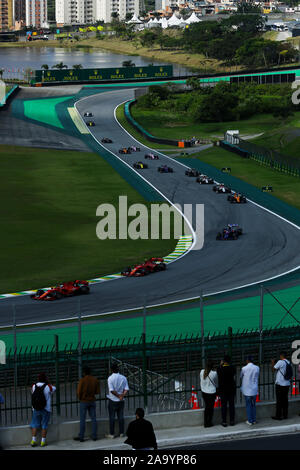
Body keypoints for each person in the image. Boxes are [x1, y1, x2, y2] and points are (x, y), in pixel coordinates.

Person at [74, 366, 100, 442]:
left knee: (83, 419)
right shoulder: (95, 380)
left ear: (84, 373)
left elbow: (78, 392)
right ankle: (94, 435)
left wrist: (81, 398)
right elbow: (97, 392)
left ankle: (81, 436)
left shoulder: (82, 380)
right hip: (92, 400)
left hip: (84, 401)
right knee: (94, 418)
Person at [30, 372, 56, 447]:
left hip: (36, 408)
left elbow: (32, 392)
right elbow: (54, 389)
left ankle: (33, 440)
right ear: (46, 378)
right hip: (46, 409)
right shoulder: (48, 386)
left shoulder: (34, 386)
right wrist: (49, 383)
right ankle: (43, 442)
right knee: (44, 425)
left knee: (35, 424)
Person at [106, 363, 129, 438]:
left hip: (113, 400)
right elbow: (126, 389)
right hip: (121, 400)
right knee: (121, 416)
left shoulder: (110, 378)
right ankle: (122, 432)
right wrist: (122, 395)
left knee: (112, 417)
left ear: (111, 370)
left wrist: (118, 396)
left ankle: (112, 433)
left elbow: (112, 390)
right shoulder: (123, 377)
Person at [271, 352, 291, 420]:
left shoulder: (280, 362)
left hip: (280, 384)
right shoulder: (288, 362)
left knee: (279, 400)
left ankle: (278, 416)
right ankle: (285, 415)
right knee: (285, 400)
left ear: (281, 356)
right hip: (287, 384)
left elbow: (273, 370)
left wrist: (273, 362)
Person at [217, 355, 236, 427]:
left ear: (223, 361)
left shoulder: (220, 369)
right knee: (231, 405)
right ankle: (232, 421)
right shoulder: (232, 368)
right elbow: (233, 371)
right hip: (231, 389)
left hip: (223, 390)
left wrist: (221, 364)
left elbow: (218, 370)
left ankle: (224, 421)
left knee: (223, 406)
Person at [240, 356, 260, 426]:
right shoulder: (257, 368)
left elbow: (241, 376)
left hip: (247, 390)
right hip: (254, 389)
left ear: (247, 361)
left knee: (248, 405)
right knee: (253, 405)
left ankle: (250, 420)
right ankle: (254, 419)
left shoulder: (244, 368)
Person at [200, 360, 218, 428]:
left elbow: (201, 380)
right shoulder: (214, 373)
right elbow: (216, 382)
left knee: (207, 407)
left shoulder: (202, 372)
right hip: (212, 392)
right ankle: (209, 422)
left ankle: (205, 422)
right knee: (211, 408)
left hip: (204, 392)